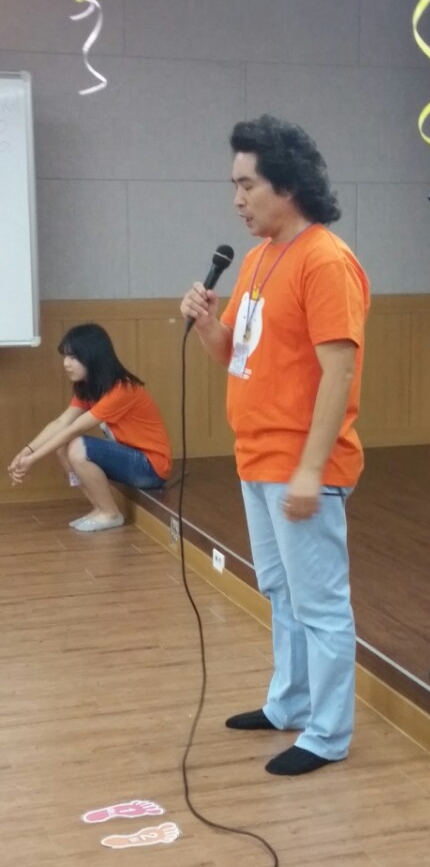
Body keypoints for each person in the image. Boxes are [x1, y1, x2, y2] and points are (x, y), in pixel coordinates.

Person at [180, 114, 370, 776]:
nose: (237, 199)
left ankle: (328, 734)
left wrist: (311, 471)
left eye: (247, 185)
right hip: (256, 457)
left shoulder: (326, 260)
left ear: (286, 185)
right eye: (233, 185)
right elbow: (233, 354)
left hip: (301, 465)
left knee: (320, 605)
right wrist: (206, 323)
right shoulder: (260, 259)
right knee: (282, 594)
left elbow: (338, 373)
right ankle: (289, 704)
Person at [8, 323, 172, 532]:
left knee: (77, 445)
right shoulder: (90, 387)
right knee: (63, 447)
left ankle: (111, 513)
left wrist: (32, 460)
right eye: (65, 357)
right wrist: (27, 451)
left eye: (74, 357)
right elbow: (61, 423)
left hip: (150, 468)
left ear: (93, 357)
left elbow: (73, 430)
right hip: (129, 459)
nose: (66, 363)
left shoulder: (122, 390)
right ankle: (99, 508)